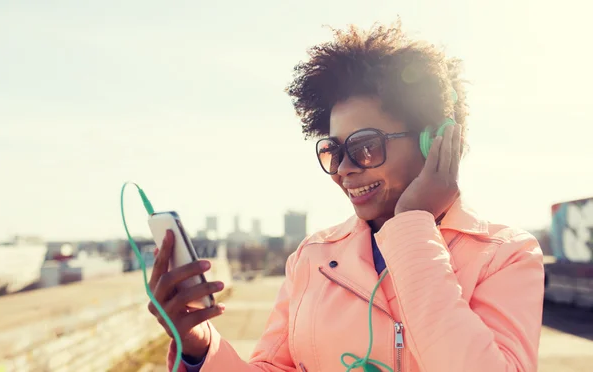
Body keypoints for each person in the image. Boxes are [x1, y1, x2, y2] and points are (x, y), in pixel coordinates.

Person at [147, 20, 545, 372]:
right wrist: (200, 348)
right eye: (332, 150)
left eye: (365, 146)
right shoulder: (312, 258)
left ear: (434, 141)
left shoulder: (504, 255)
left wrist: (410, 226)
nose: (344, 168)